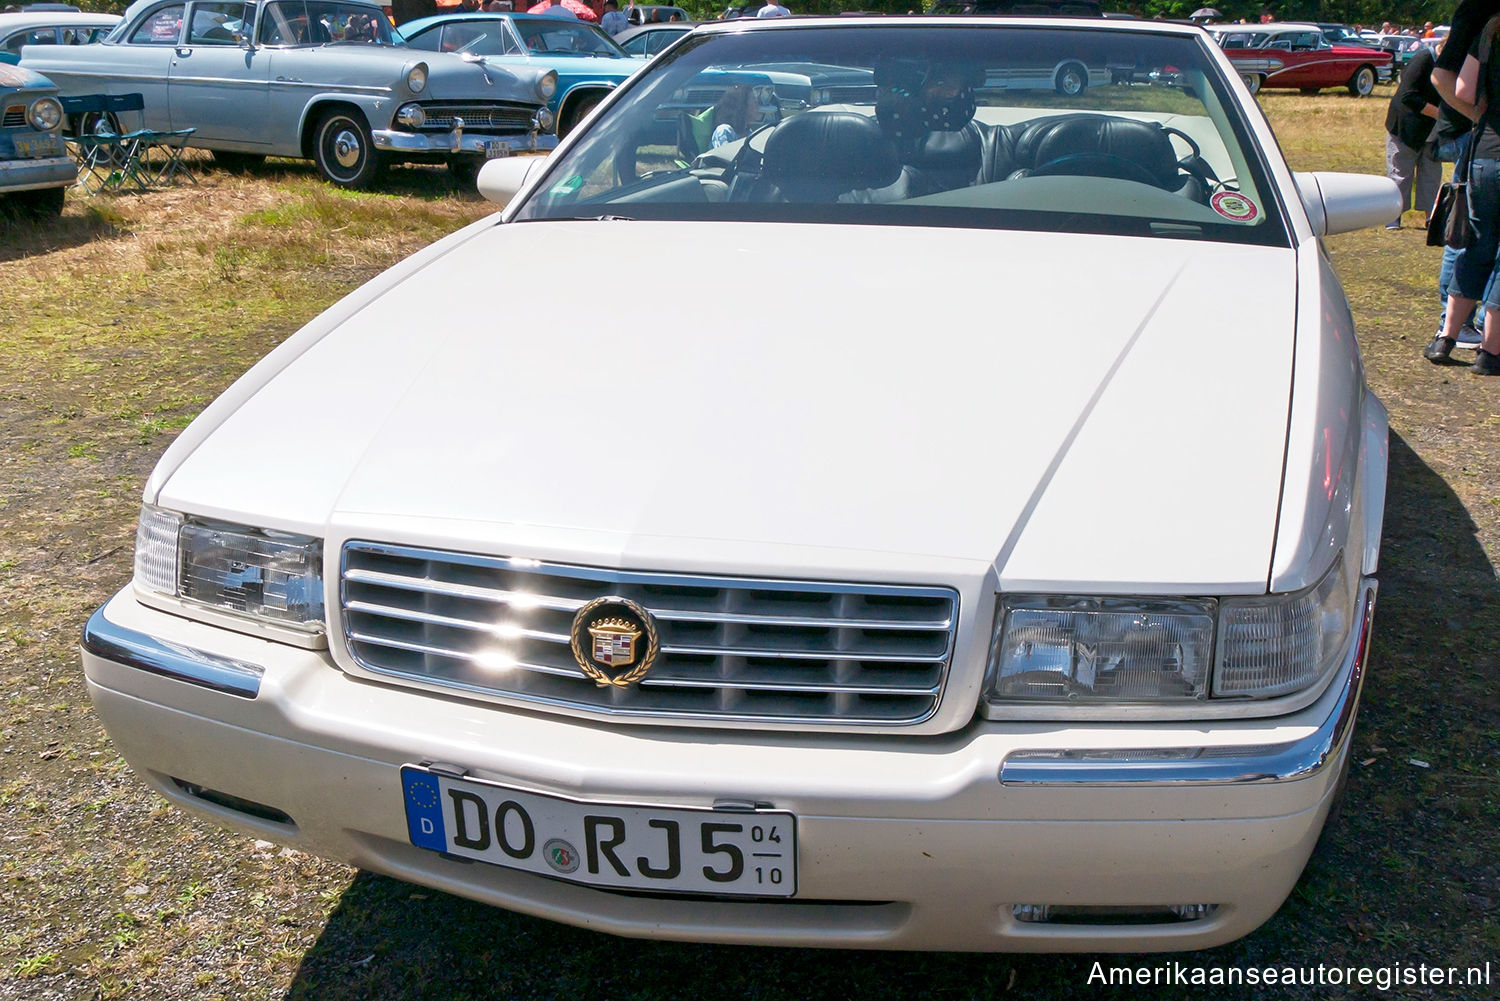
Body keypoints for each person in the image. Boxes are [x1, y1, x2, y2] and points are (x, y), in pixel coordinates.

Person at [1431, 0, 1500, 374]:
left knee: (1474, 244)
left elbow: (1460, 85)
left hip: (1485, 152)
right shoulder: (1480, 19)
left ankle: (1447, 335)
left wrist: (1484, 119)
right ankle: (1490, 352)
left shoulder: (1488, 30)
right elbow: (1446, 81)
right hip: (1483, 145)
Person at [1384, 36, 1442, 229]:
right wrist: (1440, 114)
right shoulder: (1424, 59)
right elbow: (1408, 96)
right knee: (1400, 172)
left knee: (1431, 173)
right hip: (1405, 126)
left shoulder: (1451, 66)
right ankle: (1392, 217)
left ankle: (1431, 219)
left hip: (1432, 129)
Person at [709, 84, 759, 148]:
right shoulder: (724, 130)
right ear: (742, 106)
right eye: (754, 101)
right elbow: (725, 155)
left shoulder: (749, 133)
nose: (757, 106)